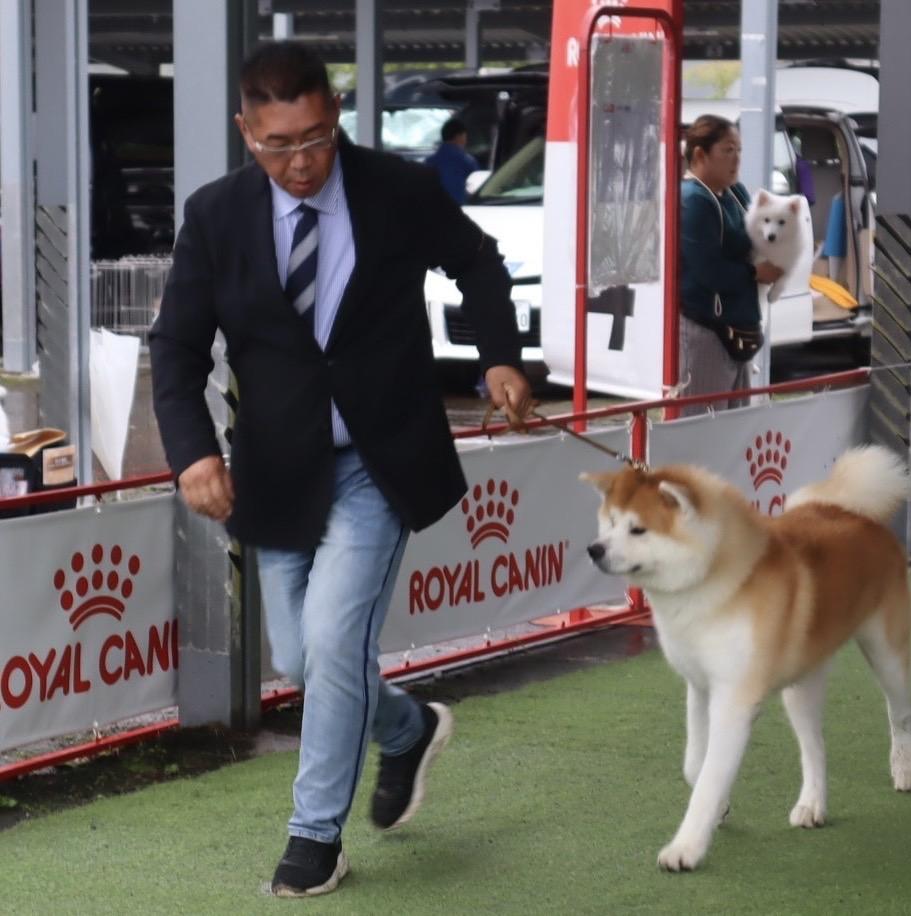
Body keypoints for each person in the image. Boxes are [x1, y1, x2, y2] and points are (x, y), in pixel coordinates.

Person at [149, 41, 532, 899]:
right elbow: (174, 349)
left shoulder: (394, 188)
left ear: (336, 117)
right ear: (247, 131)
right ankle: (403, 731)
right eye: (280, 144)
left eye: (317, 138)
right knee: (300, 660)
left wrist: (501, 359)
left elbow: (477, 262)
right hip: (275, 472)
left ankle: (313, 835)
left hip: (380, 461)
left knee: (330, 642)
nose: (301, 161)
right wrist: (194, 453)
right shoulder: (214, 216)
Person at [678, 115, 783, 416]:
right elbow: (708, 269)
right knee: (704, 428)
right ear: (700, 154)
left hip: (742, 329)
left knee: (735, 427)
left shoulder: (736, 192)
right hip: (706, 330)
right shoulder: (693, 200)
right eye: (727, 150)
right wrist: (755, 273)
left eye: (739, 150)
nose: (736, 159)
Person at [423, 116, 479, 204]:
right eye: (464, 136)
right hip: (460, 208)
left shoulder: (429, 162)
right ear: (458, 136)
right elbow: (476, 186)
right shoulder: (467, 161)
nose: (465, 140)